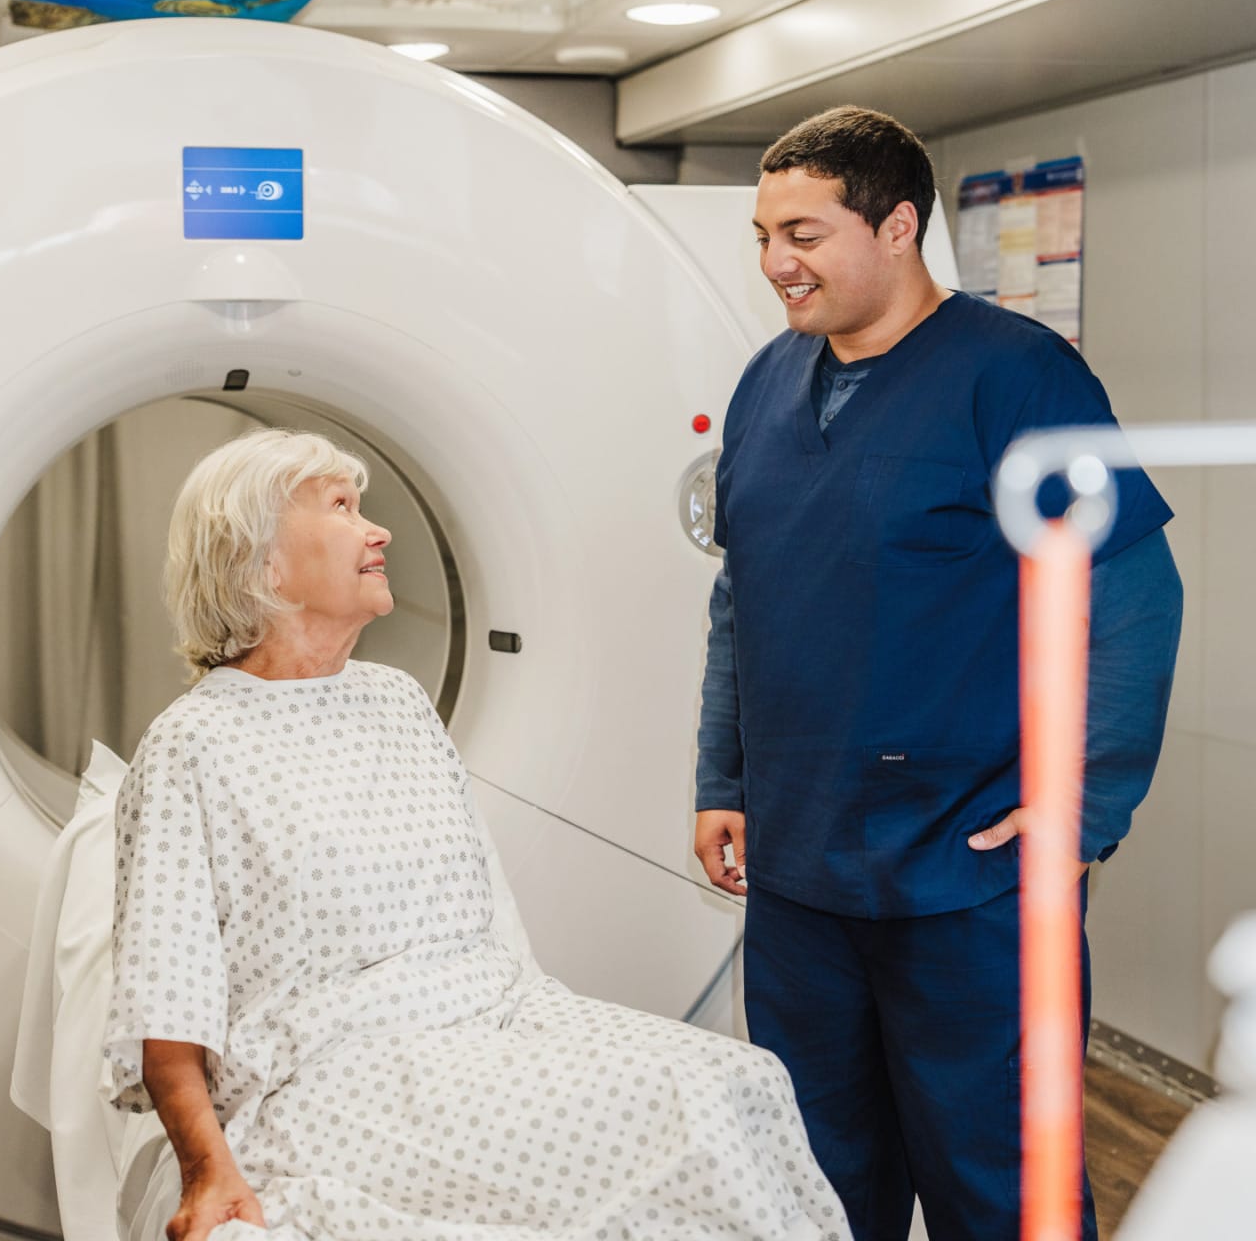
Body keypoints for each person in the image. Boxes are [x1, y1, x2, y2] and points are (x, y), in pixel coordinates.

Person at [103, 428, 852, 1241]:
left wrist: (532, 1021)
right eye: (343, 508)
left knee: (739, 1079)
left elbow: (485, 914)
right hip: (337, 1068)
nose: (378, 531)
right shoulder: (194, 744)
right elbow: (167, 1002)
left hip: (497, 1017)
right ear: (262, 562)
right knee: (664, 1123)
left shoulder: (398, 700)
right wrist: (208, 1170)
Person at [693, 106, 1183, 1241]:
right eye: (763, 235)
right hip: (800, 878)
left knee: (999, 1184)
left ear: (898, 226)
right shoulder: (767, 382)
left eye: (803, 234)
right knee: (815, 1185)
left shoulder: (1015, 376)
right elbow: (740, 598)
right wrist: (723, 776)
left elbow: (1130, 595)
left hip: (967, 876)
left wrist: (1081, 809)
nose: (775, 263)